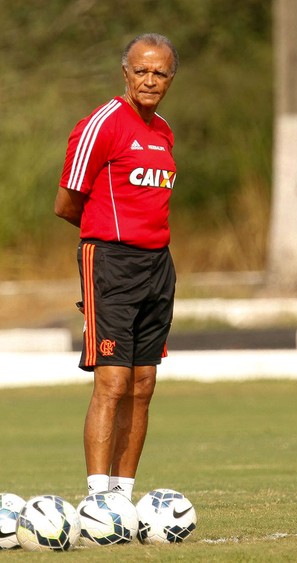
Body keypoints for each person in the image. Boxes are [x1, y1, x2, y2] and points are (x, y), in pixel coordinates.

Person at [54, 33, 179, 500]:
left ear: (171, 78)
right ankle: (97, 499)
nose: (150, 80)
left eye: (160, 72)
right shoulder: (101, 124)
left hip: (158, 266)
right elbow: (67, 203)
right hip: (109, 260)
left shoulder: (164, 130)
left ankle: (123, 497)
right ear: (125, 72)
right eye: (141, 70)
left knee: (143, 383)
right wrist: (108, 239)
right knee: (113, 380)